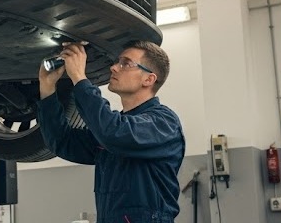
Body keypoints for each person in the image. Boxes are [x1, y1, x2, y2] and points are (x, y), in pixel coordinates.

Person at [36, 40, 185, 223]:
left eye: (126, 63)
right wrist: (47, 87)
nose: (114, 68)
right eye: (117, 62)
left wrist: (79, 78)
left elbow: (113, 133)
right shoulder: (113, 129)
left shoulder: (164, 123)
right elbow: (62, 142)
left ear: (149, 79)